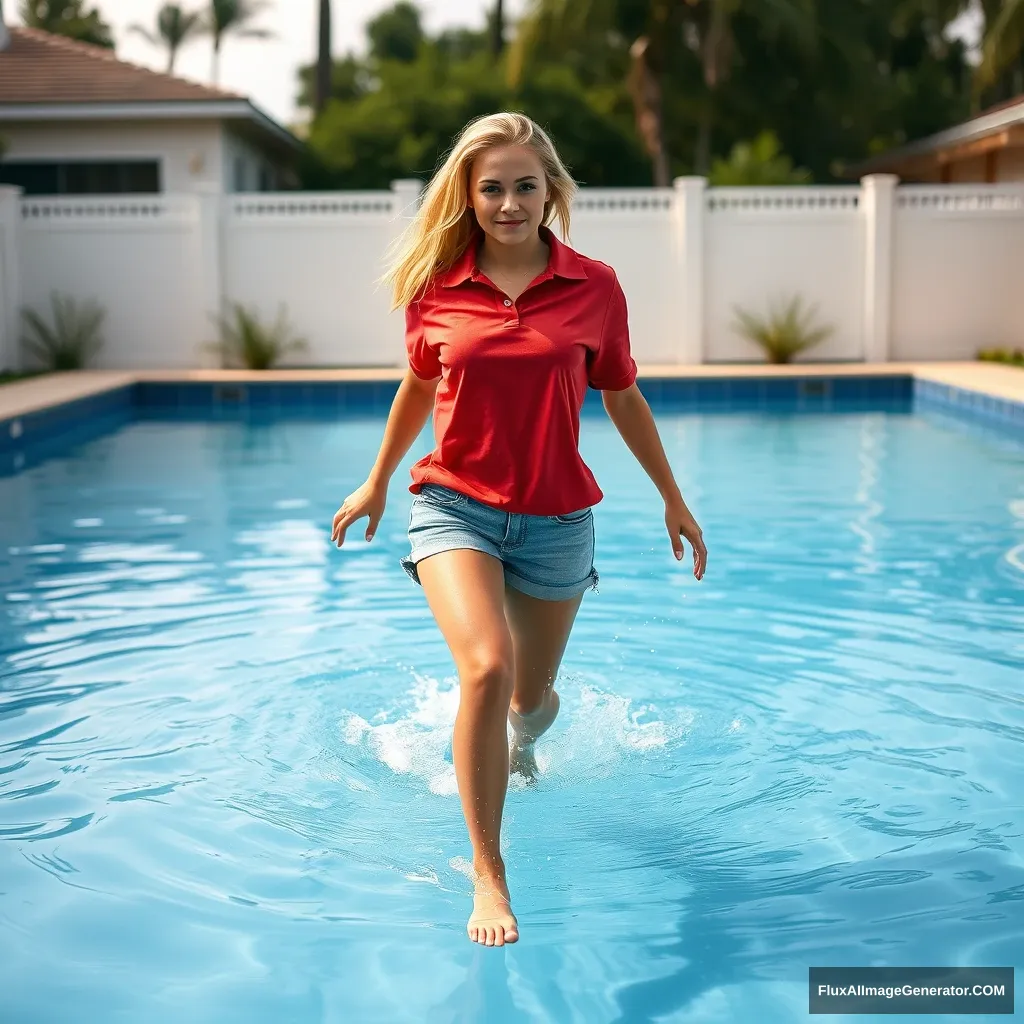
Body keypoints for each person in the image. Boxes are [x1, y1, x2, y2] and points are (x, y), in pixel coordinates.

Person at [331, 112, 707, 948]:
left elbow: (622, 394)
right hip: (455, 505)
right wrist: (377, 481)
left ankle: (521, 746)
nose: (508, 202)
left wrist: (672, 498)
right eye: (491, 187)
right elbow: (419, 388)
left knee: (529, 703)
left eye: (524, 186)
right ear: (468, 196)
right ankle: (488, 873)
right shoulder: (436, 288)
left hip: (558, 520)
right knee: (488, 667)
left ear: (551, 193)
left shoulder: (595, 287)